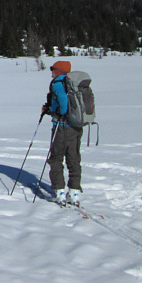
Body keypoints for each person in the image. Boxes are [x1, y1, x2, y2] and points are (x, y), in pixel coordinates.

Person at [41, 60, 83, 205]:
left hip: (62, 126)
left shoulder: (58, 83)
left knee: (56, 158)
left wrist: (57, 113)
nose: (51, 71)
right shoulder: (74, 84)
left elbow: (64, 102)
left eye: (53, 69)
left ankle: (59, 192)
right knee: (73, 158)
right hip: (76, 127)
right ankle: (74, 192)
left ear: (58, 71)